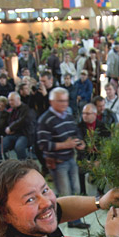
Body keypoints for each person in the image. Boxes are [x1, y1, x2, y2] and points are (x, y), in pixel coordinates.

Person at [36, 87, 87, 229]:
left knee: (76, 190)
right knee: (65, 193)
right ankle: (70, 221)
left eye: (66, 101)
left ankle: (73, 218)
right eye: (61, 101)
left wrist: (79, 142)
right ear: (51, 101)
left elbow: (75, 132)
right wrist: (65, 145)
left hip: (71, 158)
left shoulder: (68, 115)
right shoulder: (45, 120)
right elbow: (43, 145)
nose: (65, 104)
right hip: (58, 163)